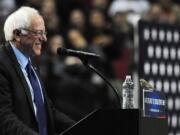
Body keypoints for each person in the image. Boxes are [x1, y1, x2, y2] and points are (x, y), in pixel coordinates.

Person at [0, 6, 75, 135]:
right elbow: (4, 118)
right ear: (18, 34)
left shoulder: (32, 62)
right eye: (38, 33)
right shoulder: (2, 63)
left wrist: (81, 128)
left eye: (44, 33)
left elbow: (47, 110)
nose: (44, 39)